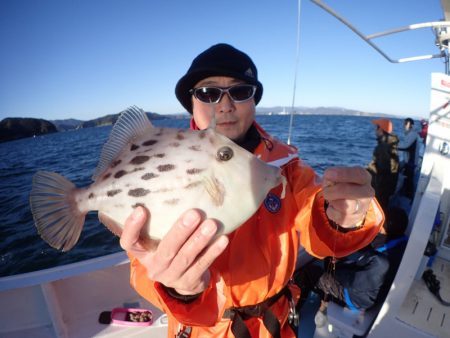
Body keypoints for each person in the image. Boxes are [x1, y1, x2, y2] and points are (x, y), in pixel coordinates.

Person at [99, 43, 383, 338]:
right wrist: (180, 290)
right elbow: (142, 262)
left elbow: (314, 215)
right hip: (201, 330)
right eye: (208, 93)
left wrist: (346, 215)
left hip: (277, 325)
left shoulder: (285, 167)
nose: (225, 105)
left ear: (254, 101)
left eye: (240, 91)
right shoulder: (162, 160)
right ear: (191, 103)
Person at [298, 206, 408, 328]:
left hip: (355, 297)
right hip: (367, 283)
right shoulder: (399, 244)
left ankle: (294, 312)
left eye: (380, 223)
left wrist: (336, 269)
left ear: (385, 229)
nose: (376, 224)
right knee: (330, 259)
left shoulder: (381, 263)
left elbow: (352, 282)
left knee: (309, 273)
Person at [366, 119, 400, 213]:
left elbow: (383, 169)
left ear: (381, 130)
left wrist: (368, 169)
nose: (375, 131)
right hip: (389, 186)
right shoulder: (390, 144)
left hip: (382, 188)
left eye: (377, 128)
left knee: (379, 210)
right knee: (383, 207)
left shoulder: (382, 147)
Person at [398, 117, 420, 199]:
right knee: (408, 179)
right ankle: (408, 195)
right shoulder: (411, 134)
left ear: (410, 125)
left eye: (405, 124)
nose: (404, 125)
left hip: (411, 162)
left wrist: (393, 145)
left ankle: (409, 197)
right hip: (409, 161)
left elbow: (405, 146)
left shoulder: (413, 134)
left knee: (409, 179)